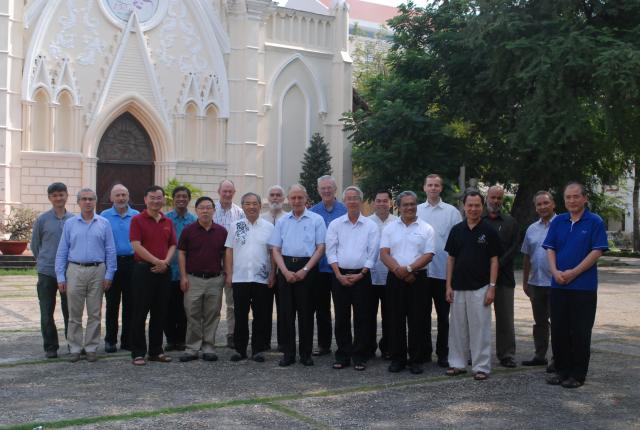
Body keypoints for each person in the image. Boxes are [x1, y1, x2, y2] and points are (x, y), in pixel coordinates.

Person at [543, 182, 608, 388]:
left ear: (584, 198)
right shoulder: (558, 221)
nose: (572, 201)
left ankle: (577, 375)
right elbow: (550, 248)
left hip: (583, 287)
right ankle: (562, 371)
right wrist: (555, 272)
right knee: (560, 330)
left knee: (580, 331)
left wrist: (573, 273)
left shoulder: (594, 221)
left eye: (576, 196)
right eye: (568, 197)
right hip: (558, 284)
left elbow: (596, 252)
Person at [55, 188, 116, 362]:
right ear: (78, 202)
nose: (87, 202)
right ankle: (74, 348)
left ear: (95, 201)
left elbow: (110, 250)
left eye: (91, 199)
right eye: (84, 199)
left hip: (98, 270)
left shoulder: (104, 223)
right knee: (74, 313)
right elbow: (62, 251)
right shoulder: (70, 224)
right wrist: (60, 276)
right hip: (75, 270)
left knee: (95, 313)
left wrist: (109, 274)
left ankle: (91, 347)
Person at [445, 190, 501, 381]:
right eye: (470, 205)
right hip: (458, 287)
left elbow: (495, 261)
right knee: (457, 328)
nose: (473, 209)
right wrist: (448, 286)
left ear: (482, 207)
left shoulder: (489, 231)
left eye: (477, 205)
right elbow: (450, 259)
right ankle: (457, 364)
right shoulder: (456, 230)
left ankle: (481, 367)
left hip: (481, 287)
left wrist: (492, 287)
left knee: (480, 328)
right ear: (464, 206)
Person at [268, 184, 326, 367]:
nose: (296, 201)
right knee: (286, 314)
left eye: (300, 198)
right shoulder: (283, 221)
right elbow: (275, 249)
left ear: (306, 199)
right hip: (285, 267)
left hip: (308, 269)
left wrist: (305, 270)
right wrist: (284, 271)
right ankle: (288, 353)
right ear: (288, 200)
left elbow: (321, 248)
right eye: (293, 198)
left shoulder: (316, 220)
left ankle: (306, 354)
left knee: (306, 313)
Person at [380, 191, 435, 375]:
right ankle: (398, 359)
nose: (409, 207)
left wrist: (410, 269)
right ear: (398, 207)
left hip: (418, 279)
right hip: (395, 278)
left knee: (418, 320)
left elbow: (429, 255)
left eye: (412, 204)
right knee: (394, 320)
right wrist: (399, 271)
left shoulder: (426, 228)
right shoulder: (389, 228)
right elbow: (384, 253)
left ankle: (416, 360)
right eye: (405, 204)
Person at [326, 186, 379, 371]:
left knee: (362, 317)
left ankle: (359, 355)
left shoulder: (370, 226)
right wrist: (339, 274)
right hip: (339, 275)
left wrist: (362, 274)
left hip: (362, 276)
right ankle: (343, 354)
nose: (352, 201)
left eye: (356, 198)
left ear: (361, 200)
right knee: (341, 317)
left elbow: (372, 254)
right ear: (344, 202)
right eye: (349, 198)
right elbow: (330, 251)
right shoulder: (335, 224)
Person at [417, 174, 462, 367]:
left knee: (444, 317)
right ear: (424, 188)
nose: (433, 188)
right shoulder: (416, 210)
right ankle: (424, 352)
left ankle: (443, 353)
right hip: (421, 272)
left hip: (444, 273)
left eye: (436, 185)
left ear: (441, 188)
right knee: (421, 315)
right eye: (430, 185)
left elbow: (458, 243)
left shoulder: (452, 212)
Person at [129, 185, 177, 366]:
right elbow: (136, 245)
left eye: (159, 198)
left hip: (164, 271)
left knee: (160, 313)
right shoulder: (137, 220)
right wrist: (157, 261)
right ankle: (138, 352)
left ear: (163, 200)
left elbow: (173, 244)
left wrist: (165, 262)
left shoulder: (167, 221)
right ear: (145, 199)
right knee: (140, 312)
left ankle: (156, 351)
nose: (156, 201)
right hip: (144, 270)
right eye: (152, 198)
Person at [225, 193, 275, 362]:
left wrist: (273, 273)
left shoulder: (269, 227)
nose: (251, 207)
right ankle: (240, 350)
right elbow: (229, 251)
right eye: (248, 203)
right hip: (240, 278)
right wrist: (229, 273)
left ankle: (258, 350)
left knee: (261, 316)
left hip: (261, 278)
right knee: (240, 316)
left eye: (255, 203)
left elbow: (273, 253)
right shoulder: (235, 226)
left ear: (260, 206)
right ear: (243, 206)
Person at [178, 196, 227, 362]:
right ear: (196, 210)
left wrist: (226, 275)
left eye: (208, 207)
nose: (205, 211)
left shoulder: (222, 231)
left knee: (212, 314)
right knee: (192, 314)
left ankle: (208, 347)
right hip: (193, 279)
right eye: (201, 208)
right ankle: (192, 348)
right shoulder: (188, 230)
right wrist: (183, 276)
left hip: (215, 279)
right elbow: (182, 253)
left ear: (214, 210)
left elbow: (226, 255)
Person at [31, 182, 74, 358]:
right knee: (47, 311)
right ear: (50, 198)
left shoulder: (73, 220)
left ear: (66, 196)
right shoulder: (42, 220)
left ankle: (73, 344)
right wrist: (44, 261)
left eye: (61, 194)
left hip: (69, 272)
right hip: (47, 272)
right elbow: (35, 245)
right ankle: (51, 347)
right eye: (54, 195)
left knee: (70, 311)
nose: (58, 198)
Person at [482, 185, 519, 368]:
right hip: (480, 278)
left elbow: (513, 249)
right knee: (479, 318)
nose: (495, 201)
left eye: (499, 198)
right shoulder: (478, 220)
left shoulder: (511, 222)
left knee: (505, 318)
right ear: (486, 197)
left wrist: (496, 265)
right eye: (493, 197)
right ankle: (478, 353)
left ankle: (507, 354)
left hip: (504, 278)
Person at [310, 175, 347, 356]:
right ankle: (324, 345)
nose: (326, 191)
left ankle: (343, 345)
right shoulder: (313, 212)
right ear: (318, 191)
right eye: (323, 188)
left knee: (341, 309)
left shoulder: (345, 210)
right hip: (319, 268)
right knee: (321, 309)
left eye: (329, 188)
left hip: (340, 268)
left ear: (335, 189)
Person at [101, 184, 139, 353]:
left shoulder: (136, 216)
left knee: (131, 304)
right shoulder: (104, 216)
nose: (121, 198)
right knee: (112, 304)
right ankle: (110, 340)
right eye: (118, 195)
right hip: (112, 264)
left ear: (128, 196)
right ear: (111, 198)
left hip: (132, 263)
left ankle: (127, 340)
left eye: (124, 194)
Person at [521, 191, 556, 370]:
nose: (542, 207)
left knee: (558, 322)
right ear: (535, 208)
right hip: (536, 283)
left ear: (553, 204)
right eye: (539, 204)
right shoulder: (531, 229)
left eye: (545, 203)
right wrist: (525, 281)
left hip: (556, 283)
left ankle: (557, 358)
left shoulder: (562, 225)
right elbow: (527, 257)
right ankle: (539, 355)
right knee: (540, 322)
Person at [164, 186, 197, 351]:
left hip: (187, 271)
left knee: (185, 308)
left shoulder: (193, 220)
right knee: (168, 307)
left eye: (184, 196)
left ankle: (182, 339)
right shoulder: (166, 219)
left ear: (188, 199)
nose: (181, 199)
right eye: (178, 196)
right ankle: (171, 339)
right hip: (168, 270)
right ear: (173, 198)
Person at [214, 179, 244, 349]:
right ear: (219, 191)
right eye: (224, 191)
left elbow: (242, 240)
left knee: (232, 304)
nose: (227, 194)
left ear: (234, 192)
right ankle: (208, 336)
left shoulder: (240, 213)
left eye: (230, 191)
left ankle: (232, 334)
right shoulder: (210, 210)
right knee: (212, 305)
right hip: (213, 263)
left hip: (233, 264)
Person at [367, 190, 397, 359]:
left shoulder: (397, 223)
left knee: (390, 315)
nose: (381, 204)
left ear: (391, 203)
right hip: (370, 276)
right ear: (373, 203)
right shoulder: (367, 222)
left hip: (391, 275)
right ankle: (369, 347)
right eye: (378, 201)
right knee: (368, 315)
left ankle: (387, 347)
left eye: (385, 201)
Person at [261, 184, 289, 351]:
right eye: (272, 195)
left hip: (284, 270)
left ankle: (283, 342)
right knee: (264, 308)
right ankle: (263, 342)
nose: (275, 198)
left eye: (279, 195)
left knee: (284, 309)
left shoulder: (288, 218)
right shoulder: (261, 218)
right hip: (264, 270)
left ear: (283, 198)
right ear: (268, 197)